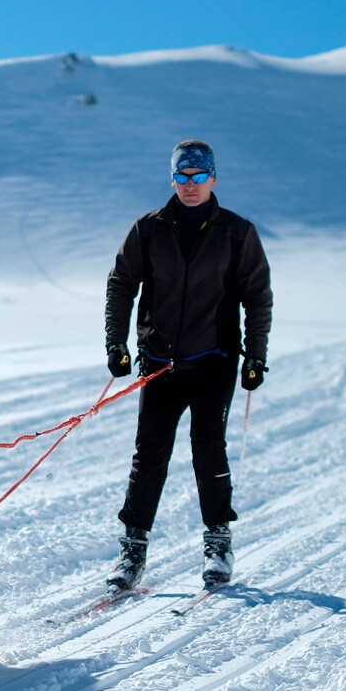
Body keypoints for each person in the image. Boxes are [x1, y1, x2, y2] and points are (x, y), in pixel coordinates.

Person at [103, 140, 272, 591]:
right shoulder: (149, 229)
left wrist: (256, 353)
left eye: (199, 177)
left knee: (207, 447)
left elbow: (257, 297)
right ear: (172, 178)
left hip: (213, 359)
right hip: (160, 361)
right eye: (182, 176)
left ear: (213, 178)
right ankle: (132, 551)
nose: (190, 185)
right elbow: (121, 285)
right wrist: (116, 343)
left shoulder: (237, 233)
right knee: (149, 453)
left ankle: (219, 545)